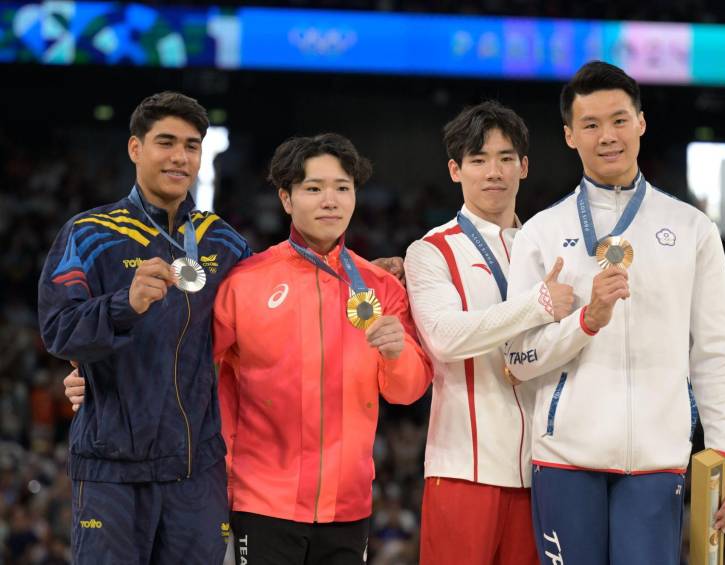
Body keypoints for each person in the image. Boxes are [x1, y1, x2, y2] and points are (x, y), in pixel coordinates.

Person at [504, 61, 725, 565]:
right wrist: (584, 321)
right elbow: (518, 358)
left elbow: (716, 348)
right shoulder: (542, 234)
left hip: (658, 459)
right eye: (590, 125)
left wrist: (722, 449)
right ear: (570, 136)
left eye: (618, 120)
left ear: (641, 123)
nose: (606, 136)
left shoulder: (693, 229)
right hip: (565, 458)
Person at [38, 92, 251, 564]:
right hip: (111, 471)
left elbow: (272, 316)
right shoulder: (88, 234)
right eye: (166, 142)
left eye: (192, 146)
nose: (180, 157)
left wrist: (359, 275)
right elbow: (57, 330)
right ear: (136, 148)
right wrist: (124, 305)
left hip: (197, 473)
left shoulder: (226, 243)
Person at [212, 133, 432, 565]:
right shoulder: (245, 281)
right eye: (314, 188)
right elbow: (195, 369)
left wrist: (396, 352)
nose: (330, 200)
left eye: (342, 188)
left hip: (348, 506)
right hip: (261, 503)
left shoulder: (382, 286)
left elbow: (407, 390)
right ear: (286, 198)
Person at [403, 100, 574, 564]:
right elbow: (443, 336)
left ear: (524, 166)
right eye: (478, 160)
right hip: (463, 469)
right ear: (456, 170)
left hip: (543, 469)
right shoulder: (431, 251)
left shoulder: (550, 250)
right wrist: (537, 304)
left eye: (504, 158)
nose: (493, 171)